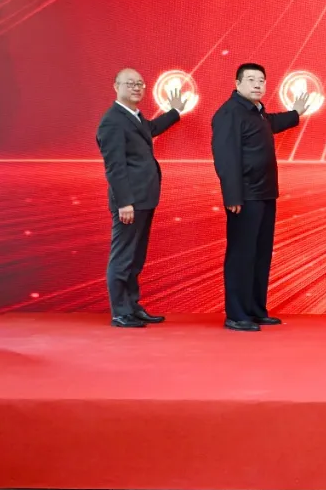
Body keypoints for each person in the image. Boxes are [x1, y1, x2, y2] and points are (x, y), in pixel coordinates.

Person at [211, 63, 308, 332]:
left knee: (260, 254)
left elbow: (272, 123)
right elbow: (225, 157)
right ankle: (236, 314)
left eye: (262, 80)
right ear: (237, 83)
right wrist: (232, 195)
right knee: (241, 255)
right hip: (245, 196)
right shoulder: (229, 112)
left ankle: (255, 310)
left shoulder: (257, 112)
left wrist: (296, 113)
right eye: (251, 79)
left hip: (265, 193)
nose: (257, 84)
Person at [95, 68, 187, 328]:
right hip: (130, 203)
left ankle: (132, 306)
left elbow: (151, 128)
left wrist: (175, 111)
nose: (136, 87)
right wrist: (124, 202)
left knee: (135, 257)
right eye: (130, 83)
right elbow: (115, 166)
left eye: (140, 84)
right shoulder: (112, 121)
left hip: (144, 199)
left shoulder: (133, 116)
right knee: (123, 257)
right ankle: (120, 312)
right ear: (116, 86)